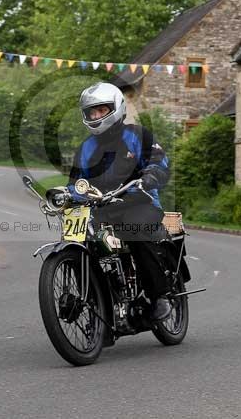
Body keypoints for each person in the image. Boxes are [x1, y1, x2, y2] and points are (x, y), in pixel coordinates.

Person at [68, 82, 173, 321]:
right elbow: (75, 183)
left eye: (101, 110)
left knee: (134, 231)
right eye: (91, 112)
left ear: (116, 108)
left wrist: (150, 176)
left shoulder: (138, 135)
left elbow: (158, 163)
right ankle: (95, 297)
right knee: (78, 239)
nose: (95, 116)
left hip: (139, 203)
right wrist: (69, 195)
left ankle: (159, 295)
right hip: (102, 208)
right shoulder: (85, 148)